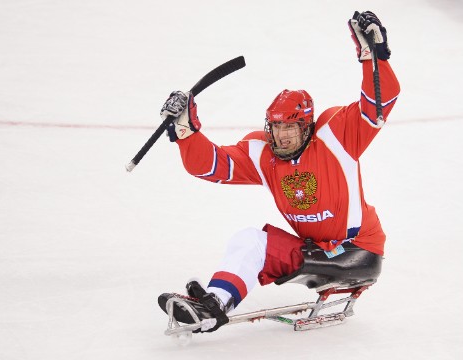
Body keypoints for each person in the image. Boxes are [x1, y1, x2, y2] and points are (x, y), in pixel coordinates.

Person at [157, 10, 400, 333]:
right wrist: (187, 132)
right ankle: (212, 305)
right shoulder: (263, 153)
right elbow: (212, 165)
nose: (281, 135)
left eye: (290, 128)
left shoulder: (335, 134)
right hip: (316, 250)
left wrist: (373, 56)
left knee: (261, 241)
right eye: (276, 127)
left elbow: (378, 103)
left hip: (357, 251)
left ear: (307, 127)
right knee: (250, 240)